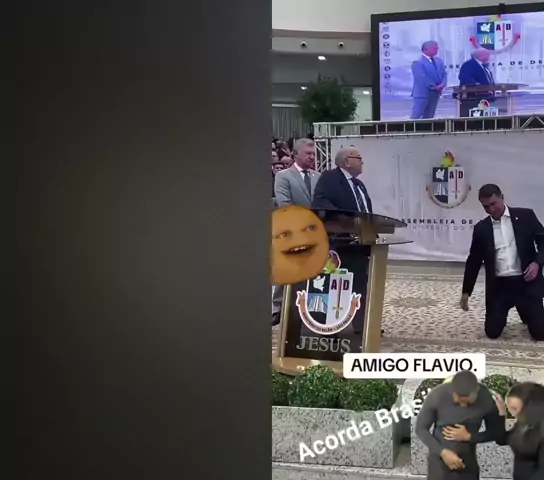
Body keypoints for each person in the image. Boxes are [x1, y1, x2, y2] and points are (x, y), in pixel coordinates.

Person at [460, 184, 544, 341]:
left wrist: (537, 263)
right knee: (492, 333)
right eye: (486, 207)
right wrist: (466, 291)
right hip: (500, 287)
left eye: (493, 204)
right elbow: (474, 261)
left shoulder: (526, 216)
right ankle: (507, 312)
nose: (491, 209)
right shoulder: (481, 229)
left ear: (502, 198)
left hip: (526, 284)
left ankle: (525, 310)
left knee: (541, 334)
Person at [416, 370, 504, 479]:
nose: (463, 405)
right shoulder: (437, 395)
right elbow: (421, 429)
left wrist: (470, 437)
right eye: (459, 401)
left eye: (468, 402)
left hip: (467, 462)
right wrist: (443, 452)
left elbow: (496, 433)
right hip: (439, 461)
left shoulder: (486, 399)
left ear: (476, 390)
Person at [447, 382, 544, 480]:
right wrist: (501, 413)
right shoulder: (523, 423)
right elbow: (502, 439)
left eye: (515, 409)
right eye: (509, 408)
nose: (512, 413)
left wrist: (469, 436)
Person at [271, 138, 320, 325]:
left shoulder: (318, 176)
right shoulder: (283, 176)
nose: (312, 157)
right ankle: (277, 308)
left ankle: (305, 306)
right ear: (296, 154)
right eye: (308, 153)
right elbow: (285, 203)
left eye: (314, 154)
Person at [311, 147, 372, 213]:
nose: (362, 162)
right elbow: (321, 203)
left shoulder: (359, 184)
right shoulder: (329, 178)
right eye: (359, 158)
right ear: (346, 162)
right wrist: (344, 218)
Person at [410, 40, 447, 119]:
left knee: (430, 115)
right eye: (434, 48)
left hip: (435, 94)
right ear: (426, 49)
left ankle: (426, 127)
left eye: (437, 48)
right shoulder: (417, 62)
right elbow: (422, 77)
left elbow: (444, 74)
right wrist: (435, 87)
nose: (437, 50)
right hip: (422, 94)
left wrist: (442, 84)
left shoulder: (439, 61)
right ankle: (410, 127)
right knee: (417, 114)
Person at [458, 49, 496, 117]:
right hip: (473, 98)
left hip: (485, 97)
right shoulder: (468, 64)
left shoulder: (484, 66)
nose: (489, 56)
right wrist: (476, 85)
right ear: (480, 56)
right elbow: (464, 77)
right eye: (487, 54)